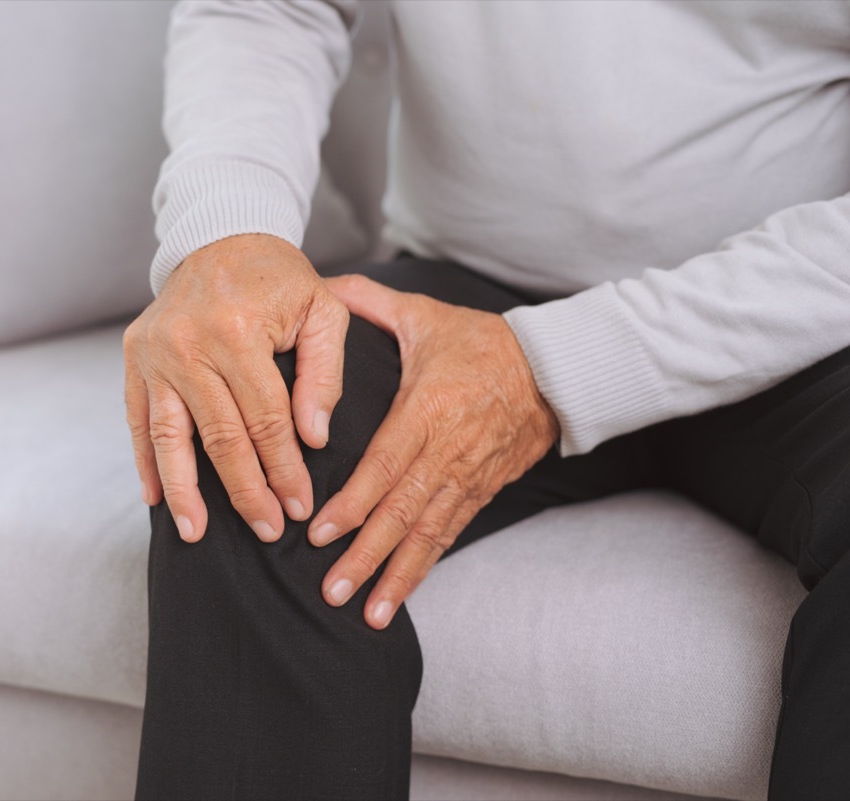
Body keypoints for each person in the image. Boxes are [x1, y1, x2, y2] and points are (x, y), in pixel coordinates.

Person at [122, 2, 850, 799]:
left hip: (799, 316)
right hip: (463, 298)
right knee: (251, 438)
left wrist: (554, 367)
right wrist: (229, 235)